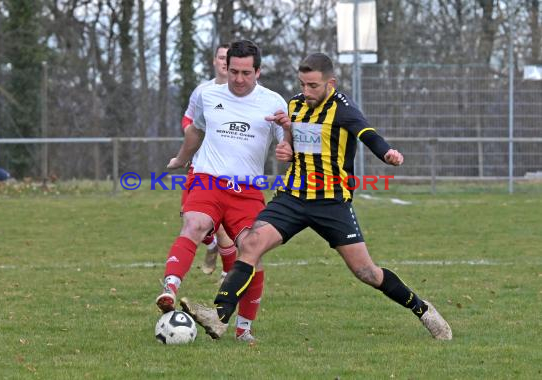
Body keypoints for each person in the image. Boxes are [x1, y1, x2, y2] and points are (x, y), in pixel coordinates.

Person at [185, 53, 453, 341]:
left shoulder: (343, 109)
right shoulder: (295, 105)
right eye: (302, 84)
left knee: (366, 272)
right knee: (251, 244)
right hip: (292, 197)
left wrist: (386, 153)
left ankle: (424, 310)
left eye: (313, 86)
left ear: (330, 83)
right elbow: (291, 140)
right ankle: (220, 315)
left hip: (331, 202)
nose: (306, 92)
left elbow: (368, 134)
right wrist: (286, 147)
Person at [156, 40, 293, 343]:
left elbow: (288, 141)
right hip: (208, 180)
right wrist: (181, 159)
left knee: (251, 251)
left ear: (258, 71)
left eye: (246, 73)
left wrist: (288, 144)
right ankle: (169, 288)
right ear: (225, 67)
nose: (239, 79)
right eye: (234, 72)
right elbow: (196, 131)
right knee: (195, 224)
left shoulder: (273, 102)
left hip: (247, 190)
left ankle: (244, 328)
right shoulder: (208, 95)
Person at [180, 43, 237, 280]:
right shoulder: (203, 91)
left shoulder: (247, 94)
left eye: (229, 58)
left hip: (230, 169)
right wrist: (194, 137)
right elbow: (188, 120)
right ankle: (212, 243)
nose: (224, 62)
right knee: (188, 214)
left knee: (222, 222)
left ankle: (229, 272)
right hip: (201, 164)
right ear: (214, 61)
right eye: (221, 57)